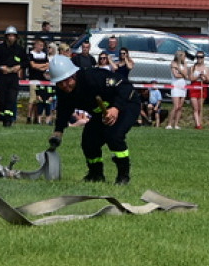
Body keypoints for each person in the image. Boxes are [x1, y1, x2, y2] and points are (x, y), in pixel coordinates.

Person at [46, 54, 140, 185]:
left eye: (67, 81)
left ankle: (123, 176)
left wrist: (116, 108)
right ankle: (96, 174)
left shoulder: (94, 77)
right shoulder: (63, 90)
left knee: (114, 136)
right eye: (60, 83)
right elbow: (63, 109)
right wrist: (58, 131)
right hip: (101, 113)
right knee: (89, 141)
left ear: (74, 75)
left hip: (126, 104)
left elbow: (125, 86)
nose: (64, 86)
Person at [0, 26, 26, 127]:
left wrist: (19, 66)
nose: (11, 38)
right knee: (2, 99)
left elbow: (26, 61)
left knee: (11, 98)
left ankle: (9, 120)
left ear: (16, 37)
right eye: (9, 35)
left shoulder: (19, 49)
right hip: (2, 77)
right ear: (6, 36)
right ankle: (4, 118)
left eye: (13, 36)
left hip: (13, 77)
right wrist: (0, 67)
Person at [26, 38, 50, 125]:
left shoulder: (44, 55)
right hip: (33, 79)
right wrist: (42, 66)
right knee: (32, 99)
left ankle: (36, 117)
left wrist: (39, 66)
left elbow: (48, 65)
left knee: (38, 100)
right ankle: (29, 117)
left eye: (42, 46)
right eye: (40, 45)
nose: (41, 47)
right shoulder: (31, 54)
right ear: (35, 45)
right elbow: (33, 65)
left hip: (42, 80)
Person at [165, 49, 189, 129]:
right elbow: (176, 75)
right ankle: (169, 124)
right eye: (184, 56)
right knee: (176, 106)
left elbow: (186, 74)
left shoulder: (184, 64)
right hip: (175, 85)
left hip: (183, 85)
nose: (185, 58)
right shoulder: (173, 63)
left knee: (180, 106)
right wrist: (183, 74)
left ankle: (176, 124)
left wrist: (179, 70)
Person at [189, 51, 209, 129]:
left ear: (203, 58)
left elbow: (208, 80)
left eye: (201, 57)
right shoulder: (192, 67)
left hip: (202, 86)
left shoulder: (206, 68)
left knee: (200, 107)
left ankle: (199, 123)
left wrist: (204, 76)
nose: (199, 59)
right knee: (195, 107)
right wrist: (198, 76)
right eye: (198, 57)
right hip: (194, 86)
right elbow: (191, 78)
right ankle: (197, 124)